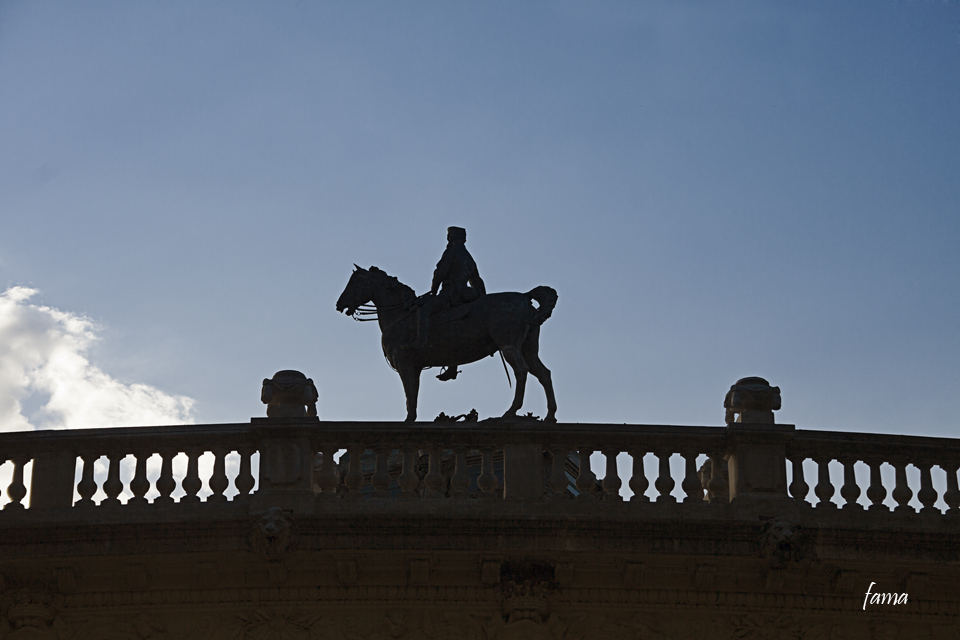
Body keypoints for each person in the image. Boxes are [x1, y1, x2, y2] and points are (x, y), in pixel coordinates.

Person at [408, 227, 486, 380]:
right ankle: (452, 367)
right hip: (463, 294)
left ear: (450, 237)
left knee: (423, 312)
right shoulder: (468, 257)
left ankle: (421, 342)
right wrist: (482, 297)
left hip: (449, 294)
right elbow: (477, 280)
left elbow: (440, 272)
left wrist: (433, 290)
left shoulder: (451, 252)